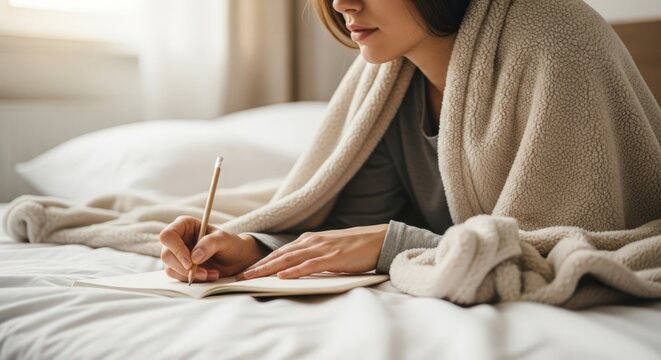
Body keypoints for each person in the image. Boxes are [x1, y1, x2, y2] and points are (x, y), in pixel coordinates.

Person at [159, 0, 660, 285]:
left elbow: (568, 246)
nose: (341, 3)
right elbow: (347, 231)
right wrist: (255, 247)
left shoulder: (557, 39)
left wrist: (392, 242)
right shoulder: (388, 75)